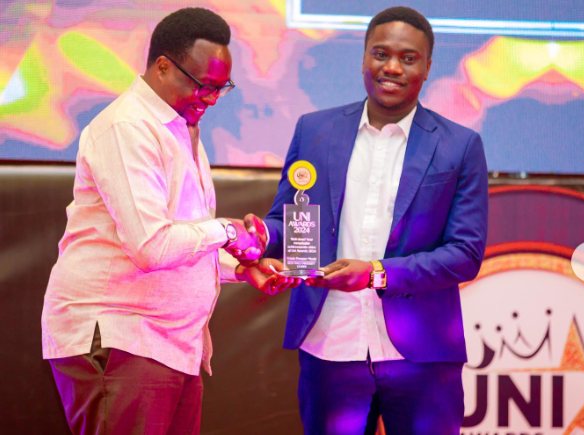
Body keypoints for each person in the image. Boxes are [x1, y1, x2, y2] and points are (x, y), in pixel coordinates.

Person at [257, 6, 489, 435]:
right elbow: (291, 222)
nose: (392, 68)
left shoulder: (460, 145)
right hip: (329, 344)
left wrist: (377, 274)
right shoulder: (315, 130)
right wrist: (259, 237)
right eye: (381, 54)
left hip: (421, 356)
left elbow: (465, 254)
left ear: (427, 67)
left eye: (408, 58)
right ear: (364, 57)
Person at [41, 8, 269, 435]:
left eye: (222, 88)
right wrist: (226, 230)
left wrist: (242, 268)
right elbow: (152, 246)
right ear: (163, 66)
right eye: (204, 85)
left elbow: (180, 243)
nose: (212, 99)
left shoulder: (178, 127)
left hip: (169, 344)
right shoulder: (128, 127)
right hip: (122, 336)